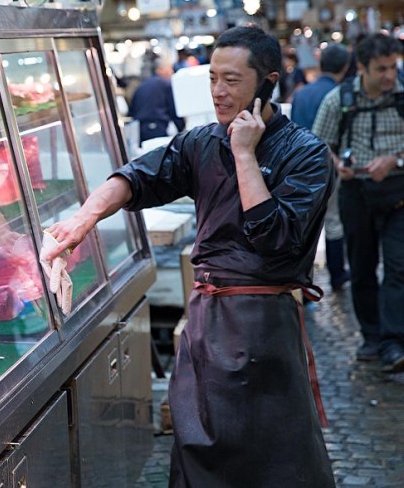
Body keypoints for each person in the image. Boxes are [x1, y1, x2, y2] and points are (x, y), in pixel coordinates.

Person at [44, 25, 334, 487]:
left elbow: (275, 237)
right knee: (198, 446)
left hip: (265, 326)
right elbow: (139, 177)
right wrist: (83, 220)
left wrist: (244, 156)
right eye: (213, 78)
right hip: (208, 320)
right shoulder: (200, 142)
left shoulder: (307, 153)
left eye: (233, 80)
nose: (218, 91)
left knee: (275, 457)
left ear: (268, 81)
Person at [312, 32, 404, 372]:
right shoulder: (339, 99)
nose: (390, 76)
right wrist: (337, 164)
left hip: (398, 193)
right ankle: (372, 336)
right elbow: (320, 143)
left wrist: (395, 160)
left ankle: (395, 341)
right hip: (356, 194)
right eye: (382, 69)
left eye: (393, 67)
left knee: (398, 267)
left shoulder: (402, 95)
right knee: (362, 268)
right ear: (361, 67)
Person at [291, 43, 353, 293]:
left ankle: (300, 281)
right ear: (346, 67)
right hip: (331, 166)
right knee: (334, 221)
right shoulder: (341, 95)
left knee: (302, 224)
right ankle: (337, 274)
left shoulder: (302, 94)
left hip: (299, 167)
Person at [127, 59, 185, 143]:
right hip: (159, 129)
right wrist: (181, 128)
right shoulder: (166, 85)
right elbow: (174, 109)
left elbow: (132, 111)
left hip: (141, 131)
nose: (172, 72)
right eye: (169, 69)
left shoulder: (141, 86)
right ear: (159, 70)